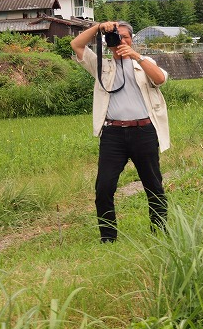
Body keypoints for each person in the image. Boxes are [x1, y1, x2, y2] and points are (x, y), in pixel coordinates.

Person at [71, 21, 170, 243]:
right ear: (107, 43)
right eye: (116, 38)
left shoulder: (144, 63)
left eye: (125, 37)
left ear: (132, 39)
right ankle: (108, 237)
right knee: (104, 188)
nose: (120, 42)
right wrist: (98, 28)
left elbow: (160, 79)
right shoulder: (102, 66)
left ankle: (160, 232)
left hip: (144, 131)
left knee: (153, 185)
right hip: (113, 134)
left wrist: (135, 56)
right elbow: (76, 45)